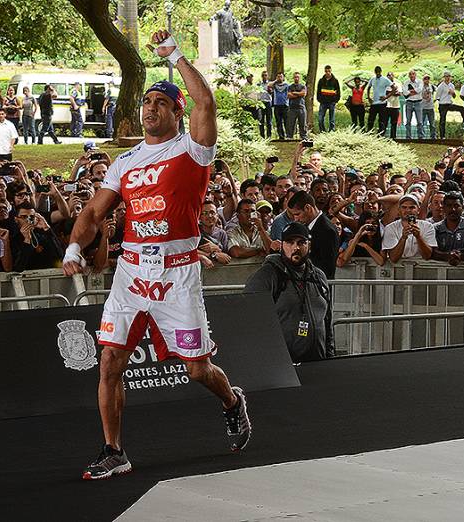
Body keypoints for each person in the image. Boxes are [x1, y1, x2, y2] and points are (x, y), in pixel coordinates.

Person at [62, 30, 251, 480]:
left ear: (176, 111)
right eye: (146, 102)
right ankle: (113, 450)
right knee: (109, 359)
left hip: (177, 275)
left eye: (160, 102)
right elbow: (93, 211)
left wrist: (177, 56)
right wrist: (73, 245)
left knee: (197, 370)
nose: (150, 108)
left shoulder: (191, 150)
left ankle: (232, 400)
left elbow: (206, 105)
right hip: (130, 273)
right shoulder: (125, 163)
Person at [244, 222, 333, 363]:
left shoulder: (318, 277)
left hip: (318, 363)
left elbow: (327, 320)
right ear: (281, 245)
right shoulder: (267, 275)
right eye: (290, 242)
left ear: (309, 245)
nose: (295, 247)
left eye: (301, 242)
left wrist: (330, 355)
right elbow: (249, 323)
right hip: (282, 367)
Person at [285, 190, 340, 279]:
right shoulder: (306, 227)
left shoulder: (327, 230)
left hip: (318, 286)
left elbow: (327, 267)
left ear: (308, 208)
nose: (295, 219)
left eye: (297, 214)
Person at [382, 194, 436, 262]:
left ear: (418, 210)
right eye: (404, 207)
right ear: (399, 210)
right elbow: (393, 258)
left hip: (422, 268)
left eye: (412, 207)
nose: (408, 210)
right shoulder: (390, 228)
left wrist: (418, 237)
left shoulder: (428, 226)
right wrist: (403, 238)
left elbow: (427, 256)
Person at [431, 191, 464, 265]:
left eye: (456, 206)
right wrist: (448, 256)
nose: (453, 209)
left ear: (463, 207)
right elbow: (432, 252)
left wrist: (460, 256)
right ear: (444, 208)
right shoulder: (435, 228)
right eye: (449, 206)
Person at [435, 71, 463, 139]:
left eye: (449, 76)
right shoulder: (441, 86)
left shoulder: (452, 85)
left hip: (449, 103)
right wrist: (443, 101)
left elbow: (454, 96)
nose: (447, 78)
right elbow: (437, 97)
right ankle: (442, 136)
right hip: (442, 104)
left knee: (461, 108)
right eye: (446, 77)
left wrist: (453, 93)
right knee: (442, 121)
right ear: (444, 78)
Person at [365, 66, 392, 133]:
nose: (377, 74)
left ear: (380, 71)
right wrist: (369, 97)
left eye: (378, 73)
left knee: (381, 120)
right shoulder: (373, 79)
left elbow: (394, 88)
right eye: (376, 73)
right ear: (375, 72)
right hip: (374, 103)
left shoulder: (385, 79)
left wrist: (386, 97)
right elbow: (368, 87)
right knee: (370, 120)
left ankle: (381, 134)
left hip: (382, 103)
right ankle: (369, 133)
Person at [316, 65, 340, 132]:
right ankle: (322, 131)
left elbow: (338, 91)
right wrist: (319, 99)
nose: (327, 73)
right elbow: (318, 91)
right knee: (320, 119)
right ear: (324, 71)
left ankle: (331, 131)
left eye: (329, 71)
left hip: (331, 102)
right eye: (326, 71)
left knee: (331, 119)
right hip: (323, 102)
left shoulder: (335, 81)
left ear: (331, 71)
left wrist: (335, 100)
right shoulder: (321, 81)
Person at [286, 72, 308, 139]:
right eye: (295, 77)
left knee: (303, 124)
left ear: (299, 78)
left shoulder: (303, 86)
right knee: (290, 124)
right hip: (292, 108)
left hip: (301, 108)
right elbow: (289, 95)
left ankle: (303, 137)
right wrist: (299, 94)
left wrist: (294, 93)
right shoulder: (290, 86)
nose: (296, 78)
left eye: (298, 77)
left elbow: (303, 93)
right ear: (293, 78)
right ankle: (289, 137)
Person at [402, 70, 422, 139]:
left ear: (415, 75)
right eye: (410, 74)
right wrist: (414, 91)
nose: (412, 75)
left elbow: (420, 89)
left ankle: (420, 137)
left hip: (418, 102)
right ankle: (408, 137)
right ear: (409, 76)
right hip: (409, 102)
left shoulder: (420, 81)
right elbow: (404, 92)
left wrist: (409, 92)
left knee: (419, 121)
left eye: (413, 74)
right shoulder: (406, 82)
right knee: (408, 121)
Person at [269, 72, 289, 139]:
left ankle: (288, 135)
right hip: (277, 105)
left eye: (281, 76)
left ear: (283, 77)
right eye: (278, 76)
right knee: (278, 121)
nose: (279, 78)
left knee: (286, 121)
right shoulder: (275, 85)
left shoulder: (286, 85)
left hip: (285, 105)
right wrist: (275, 81)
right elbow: (269, 85)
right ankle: (281, 136)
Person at [419, 74, 436, 139]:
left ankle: (433, 137)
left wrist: (434, 100)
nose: (427, 80)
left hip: (431, 107)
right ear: (423, 80)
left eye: (428, 79)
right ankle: (422, 137)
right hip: (422, 107)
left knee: (432, 124)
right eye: (425, 79)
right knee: (421, 123)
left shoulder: (432, 86)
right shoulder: (420, 87)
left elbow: (436, 94)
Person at [258, 70, 273, 138]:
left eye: (266, 75)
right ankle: (262, 136)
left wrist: (270, 90)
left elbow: (272, 93)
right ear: (261, 76)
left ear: (267, 76)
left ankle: (269, 136)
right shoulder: (259, 84)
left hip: (268, 103)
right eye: (263, 75)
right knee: (261, 120)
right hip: (261, 103)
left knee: (269, 121)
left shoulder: (270, 84)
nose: (264, 77)